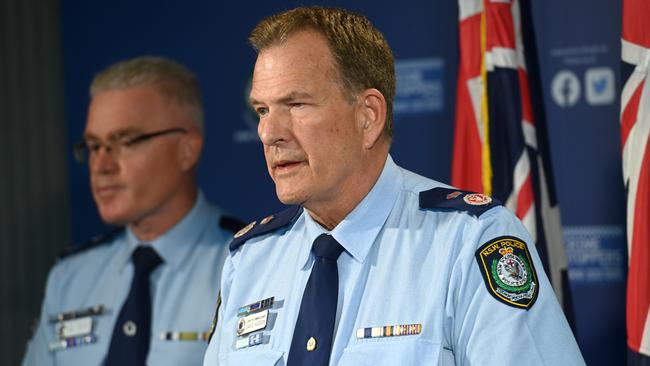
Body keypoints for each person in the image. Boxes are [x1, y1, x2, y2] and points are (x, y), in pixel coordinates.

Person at [202, 6, 585, 366]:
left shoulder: (469, 242)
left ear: (368, 116)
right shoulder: (249, 260)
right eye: (262, 110)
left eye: (297, 104)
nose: (269, 133)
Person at [22, 56, 243, 366]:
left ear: (186, 149)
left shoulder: (247, 265)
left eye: (124, 141)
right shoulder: (70, 277)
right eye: (94, 145)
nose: (101, 165)